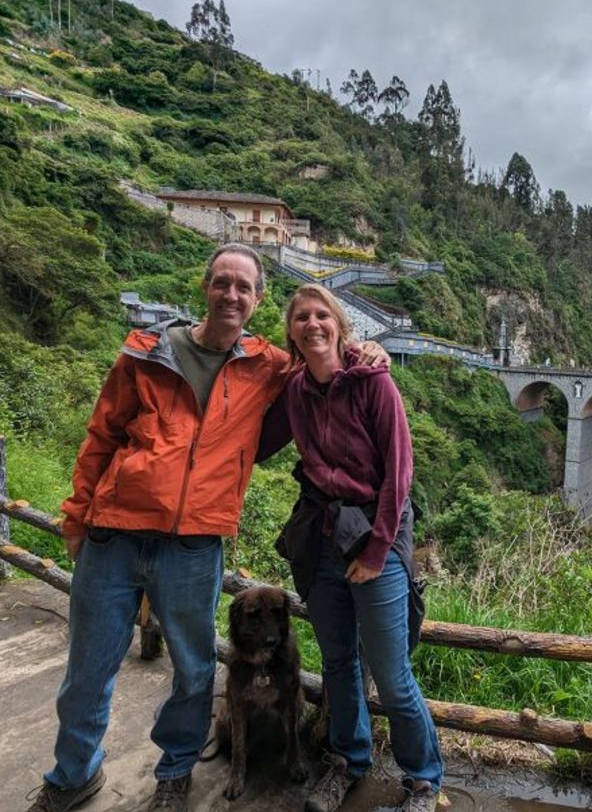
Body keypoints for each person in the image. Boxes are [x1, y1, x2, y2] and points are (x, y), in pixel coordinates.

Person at [28, 245, 383, 812]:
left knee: (194, 671)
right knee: (88, 669)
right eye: (223, 283)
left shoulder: (267, 364)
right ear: (206, 286)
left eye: (244, 287)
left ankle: (175, 771)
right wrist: (76, 515)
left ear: (258, 299)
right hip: (113, 533)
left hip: (193, 543)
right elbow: (101, 435)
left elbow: (324, 355)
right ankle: (72, 775)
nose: (232, 295)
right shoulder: (147, 353)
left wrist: (367, 349)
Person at [273, 284, 443, 812]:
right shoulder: (296, 389)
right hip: (324, 535)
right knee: (340, 662)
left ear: (341, 326)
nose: (312, 324)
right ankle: (348, 760)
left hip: (377, 535)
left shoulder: (374, 383)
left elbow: (399, 477)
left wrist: (375, 553)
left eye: (322, 315)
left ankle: (423, 780)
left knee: (392, 675)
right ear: (292, 332)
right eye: (301, 317)